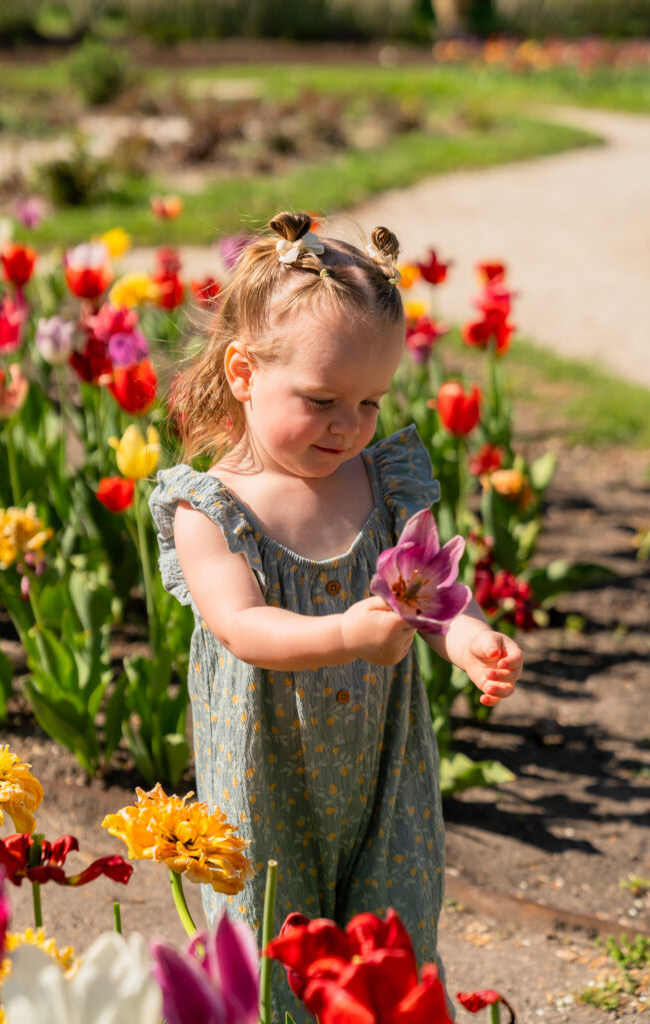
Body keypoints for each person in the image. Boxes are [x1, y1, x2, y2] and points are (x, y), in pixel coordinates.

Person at [149, 211, 523, 1021]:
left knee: (388, 932)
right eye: (321, 400)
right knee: (270, 947)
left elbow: (426, 595)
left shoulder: (381, 485)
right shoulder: (210, 509)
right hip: (265, 774)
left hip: (384, 772)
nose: (349, 425)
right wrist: (346, 635)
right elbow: (241, 628)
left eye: (368, 402)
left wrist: (467, 638)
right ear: (243, 373)